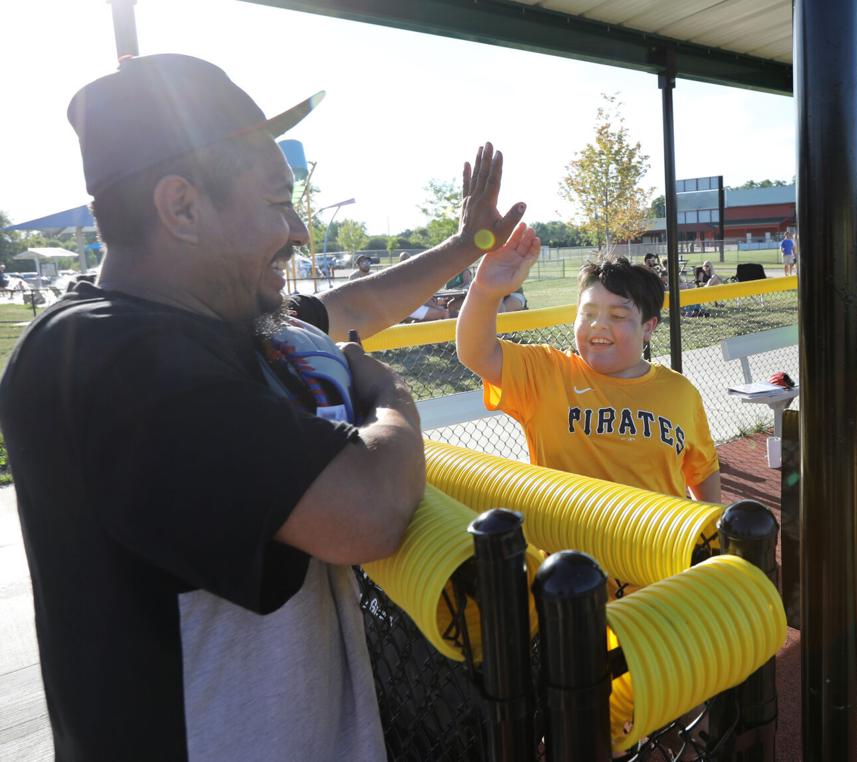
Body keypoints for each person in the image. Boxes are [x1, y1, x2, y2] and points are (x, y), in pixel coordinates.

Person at [0, 54, 527, 758]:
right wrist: (392, 399)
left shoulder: (211, 317)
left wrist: (467, 244)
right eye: (278, 202)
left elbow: (353, 306)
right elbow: (366, 512)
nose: (302, 231)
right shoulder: (110, 361)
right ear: (181, 207)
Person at [457, 250, 722, 502]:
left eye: (618, 315)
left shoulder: (680, 391)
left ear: (648, 327)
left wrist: (714, 533)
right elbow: (475, 352)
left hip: (661, 544)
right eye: (588, 314)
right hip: (569, 546)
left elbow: (702, 468)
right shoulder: (547, 373)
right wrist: (484, 290)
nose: (598, 324)